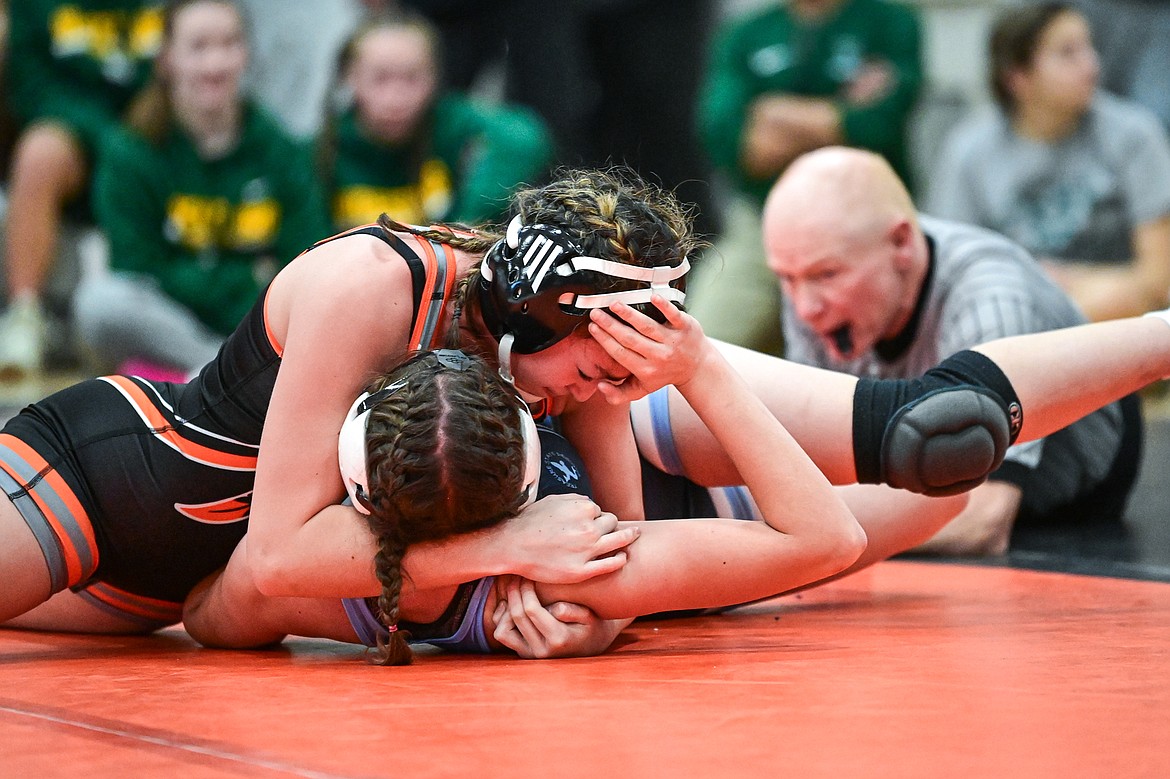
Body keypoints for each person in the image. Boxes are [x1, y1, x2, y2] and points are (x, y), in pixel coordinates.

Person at [183, 289, 1170, 662]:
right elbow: (823, 536)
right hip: (708, 510)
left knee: (921, 429)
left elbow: (220, 603)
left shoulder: (413, 342)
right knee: (944, 458)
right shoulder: (574, 569)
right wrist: (697, 366)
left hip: (634, 421)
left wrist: (605, 364)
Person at [0, 166, 697, 635]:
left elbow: (617, 556)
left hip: (173, 598)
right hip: (106, 488)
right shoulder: (372, 287)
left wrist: (589, 627)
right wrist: (502, 545)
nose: (609, 392)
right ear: (538, 311)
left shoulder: (577, 350)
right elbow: (277, 553)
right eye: (604, 368)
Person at [763, 145, 1141, 556]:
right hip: (918, 486)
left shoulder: (992, 297)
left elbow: (984, 520)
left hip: (1060, 513)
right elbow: (808, 465)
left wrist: (808, 535)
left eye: (827, 274)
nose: (805, 307)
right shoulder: (812, 273)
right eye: (787, 278)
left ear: (901, 243)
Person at [74, 0, 330, 381]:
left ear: (246, 54)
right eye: (199, 47)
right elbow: (136, 263)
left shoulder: (281, 149)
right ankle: (223, 374)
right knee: (100, 302)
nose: (216, 64)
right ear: (166, 59)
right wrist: (247, 276)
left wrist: (195, 275)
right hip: (175, 326)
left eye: (230, 45)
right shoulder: (130, 149)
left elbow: (306, 258)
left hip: (258, 323)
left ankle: (214, 376)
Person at [688, 0, 924, 355]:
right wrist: (837, 116)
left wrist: (771, 113)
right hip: (762, 227)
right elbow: (728, 139)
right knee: (698, 342)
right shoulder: (746, 34)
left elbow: (879, 123)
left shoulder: (890, 22)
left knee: (880, 354)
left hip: (863, 229)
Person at [926, 2, 1170, 322]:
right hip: (1009, 317)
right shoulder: (970, 150)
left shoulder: (1134, 134)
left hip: (1116, 323)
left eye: (1089, 47)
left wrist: (1064, 284)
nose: (1092, 65)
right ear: (1017, 78)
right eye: (1068, 53)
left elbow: (1158, 280)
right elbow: (948, 276)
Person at [0, 0, 164, 379]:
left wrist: (132, 141)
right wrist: (108, 139)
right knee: (39, 154)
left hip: (157, 132)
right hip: (78, 139)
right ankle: (25, 314)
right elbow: (28, 86)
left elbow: (183, 66)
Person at [320, 9, 554, 231]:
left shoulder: (446, 123)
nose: (396, 98)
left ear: (435, 78)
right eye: (380, 78)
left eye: (412, 78)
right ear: (350, 77)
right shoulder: (324, 149)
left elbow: (523, 138)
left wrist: (465, 225)